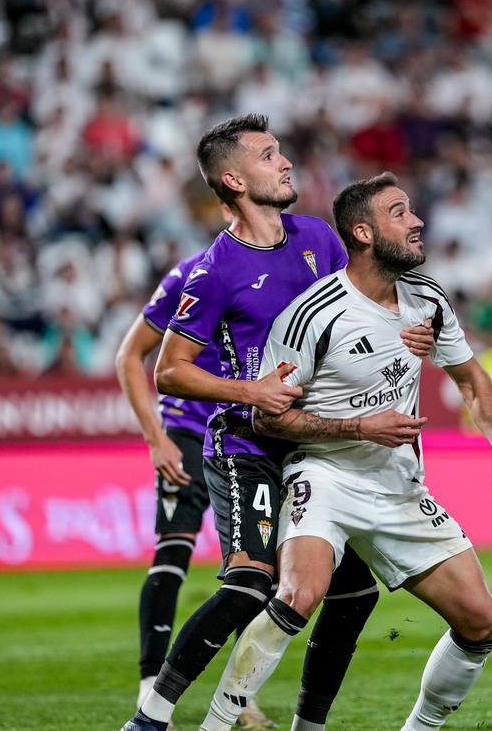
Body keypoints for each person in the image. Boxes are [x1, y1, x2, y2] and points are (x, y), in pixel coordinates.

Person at [197, 173, 492, 731]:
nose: (417, 221)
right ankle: (216, 726)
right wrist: (359, 426)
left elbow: (471, 376)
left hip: (398, 485)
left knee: (483, 624)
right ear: (363, 232)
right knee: (297, 596)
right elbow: (268, 416)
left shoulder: (426, 300)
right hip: (325, 474)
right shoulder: (313, 316)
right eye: (400, 213)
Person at [123, 116, 433, 731]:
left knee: (354, 594)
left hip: (309, 445)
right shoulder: (214, 272)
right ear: (235, 180)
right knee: (247, 586)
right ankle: (149, 720)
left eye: (282, 152)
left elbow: (350, 313)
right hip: (244, 447)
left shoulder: (317, 237)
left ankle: (307, 726)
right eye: (270, 156)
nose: (286, 162)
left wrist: (402, 328)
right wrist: (250, 390)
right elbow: (170, 371)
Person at [114, 239, 280, 729]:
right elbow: (130, 356)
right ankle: (151, 689)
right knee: (173, 554)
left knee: (254, 572)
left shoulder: (286, 266)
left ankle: (240, 700)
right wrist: (155, 438)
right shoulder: (191, 275)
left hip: (247, 435)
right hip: (188, 429)